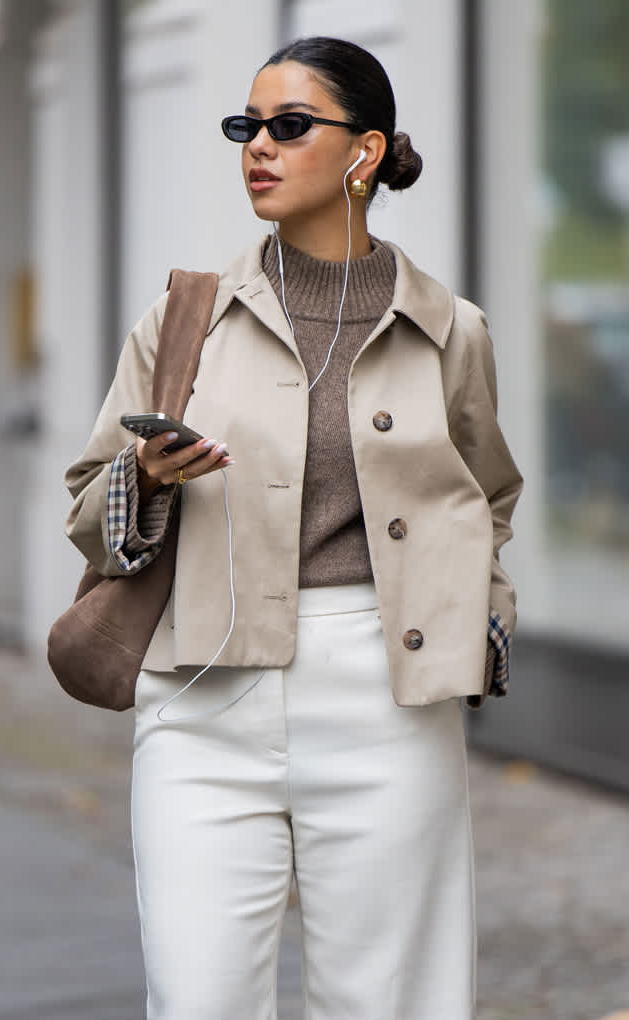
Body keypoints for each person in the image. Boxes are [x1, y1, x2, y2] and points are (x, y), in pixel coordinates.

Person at [64, 35, 522, 1020]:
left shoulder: (450, 329)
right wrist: (141, 477)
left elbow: (486, 496)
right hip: (199, 699)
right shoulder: (182, 317)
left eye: (286, 125)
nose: (256, 148)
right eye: (245, 127)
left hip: (384, 699)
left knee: (390, 1001)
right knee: (196, 1000)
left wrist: (478, 627)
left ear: (362, 154)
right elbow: (84, 508)